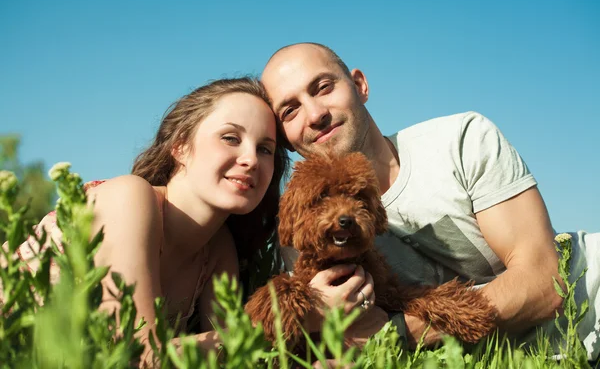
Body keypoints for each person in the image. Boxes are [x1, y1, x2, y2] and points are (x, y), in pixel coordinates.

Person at [260, 42, 600, 361]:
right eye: (291, 111)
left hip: (590, 298)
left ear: (360, 85)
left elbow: (545, 282)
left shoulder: (461, 140)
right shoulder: (302, 229)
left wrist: (392, 336)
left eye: (323, 87)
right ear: (286, 141)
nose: (315, 113)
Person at [10, 77, 298, 358]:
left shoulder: (219, 250)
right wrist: (289, 320)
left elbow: (234, 359)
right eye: (230, 138)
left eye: (265, 149)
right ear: (181, 146)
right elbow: (139, 354)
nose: (250, 159)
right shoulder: (130, 197)